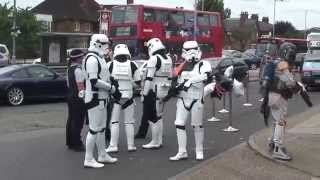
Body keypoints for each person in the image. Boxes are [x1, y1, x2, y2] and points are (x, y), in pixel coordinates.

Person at [169, 41, 211, 161]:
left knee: (197, 125)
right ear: (183, 52)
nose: (191, 52)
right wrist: (172, 89)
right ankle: (182, 151)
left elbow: (206, 76)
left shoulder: (204, 64)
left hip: (197, 98)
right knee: (179, 123)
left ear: (198, 49)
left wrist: (190, 81)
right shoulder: (181, 65)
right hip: (183, 98)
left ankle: (199, 150)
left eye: (193, 49)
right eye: (188, 50)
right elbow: (174, 78)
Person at [82, 34, 118, 168]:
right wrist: (111, 88)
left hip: (102, 97)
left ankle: (102, 154)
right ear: (97, 44)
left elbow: (104, 77)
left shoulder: (99, 58)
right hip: (95, 97)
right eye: (105, 44)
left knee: (102, 129)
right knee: (94, 129)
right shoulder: (92, 59)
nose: (107, 47)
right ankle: (89, 158)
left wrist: (111, 84)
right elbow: (94, 81)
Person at [105, 44, 141, 153]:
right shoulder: (133, 65)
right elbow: (138, 82)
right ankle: (131, 145)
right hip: (129, 97)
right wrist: (130, 85)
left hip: (115, 97)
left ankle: (113, 145)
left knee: (114, 122)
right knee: (129, 122)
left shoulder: (110, 64)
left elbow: (106, 81)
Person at [141, 38, 173, 149]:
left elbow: (149, 78)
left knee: (152, 117)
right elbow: (170, 77)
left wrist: (144, 94)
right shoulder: (168, 58)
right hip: (164, 90)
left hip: (154, 90)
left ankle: (155, 141)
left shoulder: (154, 59)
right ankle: (159, 140)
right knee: (159, 116)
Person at [66, 49, 86, 152]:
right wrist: (84, 98)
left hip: (70, 96)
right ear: (78, 58)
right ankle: (77, 143)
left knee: (71, 120)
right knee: (78, 121)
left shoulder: (69, 69)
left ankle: (70, 142)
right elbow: (81, 86)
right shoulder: (78, 70)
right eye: (82, 57)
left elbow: (68, 84)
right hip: (78, 98)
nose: (83, 59)